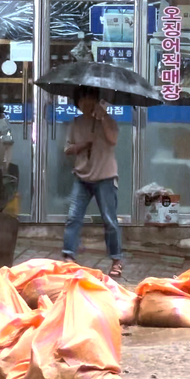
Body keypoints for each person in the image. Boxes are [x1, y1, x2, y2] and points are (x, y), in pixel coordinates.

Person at [62, 86, 125, 278]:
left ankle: (116, 260)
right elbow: (67, 149)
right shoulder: (75, 123)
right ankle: (68, 257)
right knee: (74, 217)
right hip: (82, 177)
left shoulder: (108, 122)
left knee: (109, 220)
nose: (85, 104)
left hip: (105, 177)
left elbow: (113, 139)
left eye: (90, 99)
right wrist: (82, 145)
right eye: (81, 100)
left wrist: (103, 117)